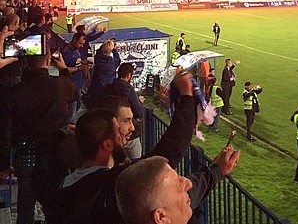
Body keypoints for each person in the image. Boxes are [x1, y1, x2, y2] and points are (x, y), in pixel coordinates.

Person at [39, 68, 197, 224]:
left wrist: (59, 136)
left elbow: (42, 166)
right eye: (117, 133)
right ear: (107, 145)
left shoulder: (57, 186)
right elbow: (168, 151)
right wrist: (187, 95)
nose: (127, 131)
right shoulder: (111, 184)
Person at [0, 52, 68, 224]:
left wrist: (3, 164)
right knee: (56, 203)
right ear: (47, 61)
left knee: (25, 203)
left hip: (25, 157)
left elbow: (5, 134)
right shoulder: (59, 85)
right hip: (54, 156)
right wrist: (64, 69)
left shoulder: (12, 93)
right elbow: (73, 92)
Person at [115, 146, 240, 224]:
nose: (189, 183)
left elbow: (191, 192)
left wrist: (217, 171)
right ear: (161, 217)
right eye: (178, 187)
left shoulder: (171, 208)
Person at [103, 63, 145, 160]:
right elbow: (140, 111)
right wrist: (140, 102)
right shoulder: (128, 88)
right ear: (129, 75)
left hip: (111, 132)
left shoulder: (108, 87)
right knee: (136, 163)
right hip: (130, 137)